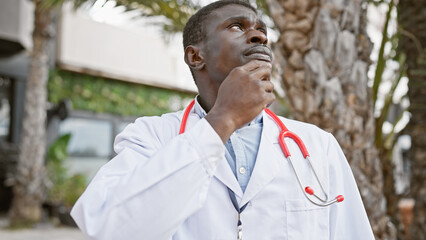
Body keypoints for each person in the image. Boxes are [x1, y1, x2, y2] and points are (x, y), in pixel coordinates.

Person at [71, 1, 375, 239]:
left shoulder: (318, 145)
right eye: (236, 26)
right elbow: (108, 227)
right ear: (196, 57)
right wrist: (223, 119)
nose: (259, 36)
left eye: (261, 31)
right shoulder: (151, 136)